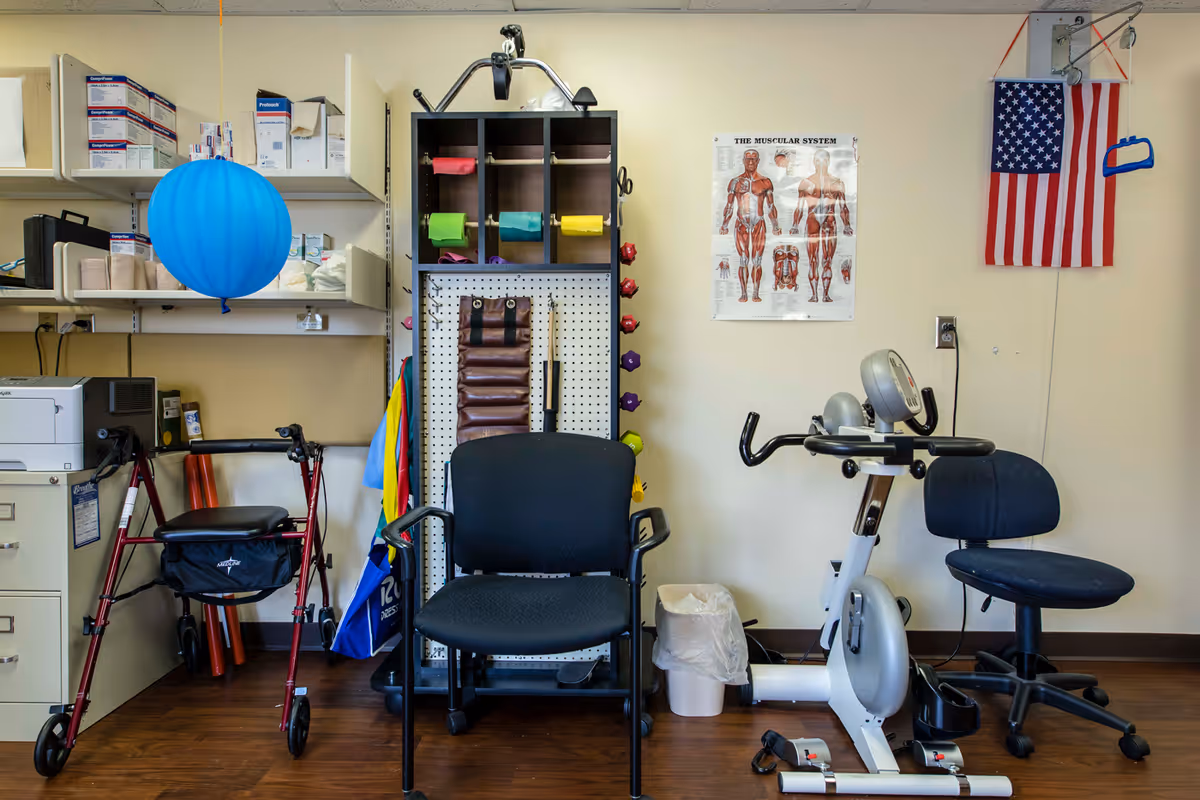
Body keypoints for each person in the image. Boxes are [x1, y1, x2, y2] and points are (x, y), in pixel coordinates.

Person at [790, 149, 853, 303]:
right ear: (813, 162)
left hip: (830, 221)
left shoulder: (837, 183)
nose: (821, 163)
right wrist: (794, 225)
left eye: (824, 160)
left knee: (827, 261)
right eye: (818, 160)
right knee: (813, 260)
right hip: (812, 221)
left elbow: (843, 207)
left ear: (829, 162)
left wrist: (847, 225)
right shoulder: (806, 182)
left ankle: (825, 295)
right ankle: (814, 295)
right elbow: (799, 206)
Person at [719, 149, 781, 303]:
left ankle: (755, 293)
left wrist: (775, 226)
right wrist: (724, 224)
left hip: (759, 223)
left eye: (754, 159)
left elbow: (771, 206)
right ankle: (743, 293)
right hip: (741, 223)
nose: (751, 162)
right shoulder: (735, 182)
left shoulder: (765, 182)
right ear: (743, 160)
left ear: (758, 161)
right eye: (748, 159)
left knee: (757, 260)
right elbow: (729, 206)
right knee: (743, 259)